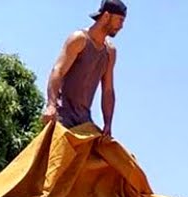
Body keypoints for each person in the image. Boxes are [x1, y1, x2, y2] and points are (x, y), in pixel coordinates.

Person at [42, 0, 126, 137]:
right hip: (63, 117)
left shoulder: (110, 52)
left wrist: (108, 124)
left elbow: (108, 90)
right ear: (106, 16)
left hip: (84, 120)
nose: (122, 26)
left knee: (108, 156)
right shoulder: (79, 39)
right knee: (56, 157)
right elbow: (58, 71)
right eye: (120, 20)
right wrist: (51, 105)